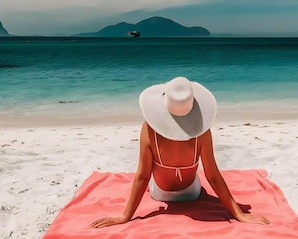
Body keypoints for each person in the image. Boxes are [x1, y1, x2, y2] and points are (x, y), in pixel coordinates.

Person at [91, 77, 270, 228]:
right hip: (191, 192)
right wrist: (238, 214)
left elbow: (142, 176)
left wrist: (125, 216)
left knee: (150, 177)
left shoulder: (149, 129)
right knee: (199, 180)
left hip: (160, 192)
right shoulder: (202, 132)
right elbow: (213, 176)